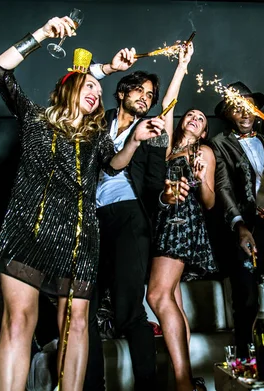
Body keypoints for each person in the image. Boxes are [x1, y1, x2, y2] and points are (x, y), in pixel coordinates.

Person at [0, 16, 164, 391]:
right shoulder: (34, 117)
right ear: (68, 88)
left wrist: (134, 141)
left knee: (78, 325)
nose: (96, 94)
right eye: (89, 87)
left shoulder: (96, 137)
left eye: (99, 93)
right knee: (18, 321)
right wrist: (41, 34)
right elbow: (0, 69)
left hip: (78, 238)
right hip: (26, 231)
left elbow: (113, 164)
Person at [83, 43, 194, 390]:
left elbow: (170, 108)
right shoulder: (95, 120)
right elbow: (77, 84)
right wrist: (110, 67)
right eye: (139, 90)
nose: (146, 98)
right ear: (120, 93)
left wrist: (181, 67)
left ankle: (148, 387)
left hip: (130, 218)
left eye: (150, 94)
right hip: (90, 222)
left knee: (129, 310)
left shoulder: (152, 132)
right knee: (82, 312)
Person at [210, 82, 264, 358]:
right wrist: (240, 226)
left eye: (249, 107)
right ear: (228, 113)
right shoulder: (220, 143)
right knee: (247, 298)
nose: (245, 113)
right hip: (245, 228)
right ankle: (246, 363)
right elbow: (223, 187)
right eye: (238, 108)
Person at [147, 107, 218, 391]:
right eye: (191, 115)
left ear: (203, 132)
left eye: (201, 119)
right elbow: (168, 108)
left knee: (157, 294)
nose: (195, 119)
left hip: (182, 222)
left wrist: (200, 180)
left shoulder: (204, 153)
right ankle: (184, 379)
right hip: (161, 220)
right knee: (173, 301)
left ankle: (183, 382)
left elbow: (210, 202)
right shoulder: (167, 149)